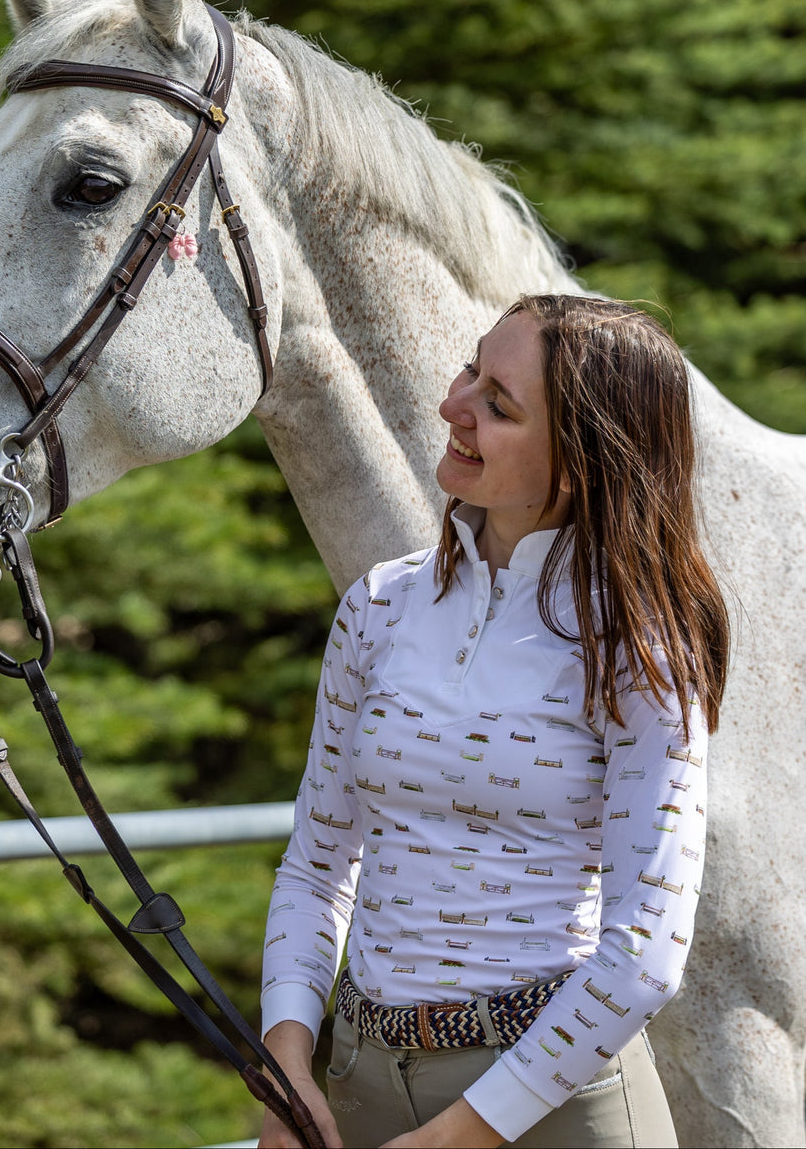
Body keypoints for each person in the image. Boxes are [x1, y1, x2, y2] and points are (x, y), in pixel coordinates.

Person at [258, 294, 729, 1149]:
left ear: (582, 460)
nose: (454, 404)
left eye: (498, 404)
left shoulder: (639, 646)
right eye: (470, 368)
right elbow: (316, 868)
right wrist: (287, 1061)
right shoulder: (380, 605)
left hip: (551, 1105)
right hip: (356, 1082)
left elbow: (647, 950)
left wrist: (461, 1134)